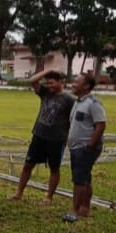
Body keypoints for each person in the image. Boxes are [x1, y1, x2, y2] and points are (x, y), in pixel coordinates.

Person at [9, 70, 74, 204]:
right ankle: (19, 193)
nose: (49, 85)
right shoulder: (45, 93)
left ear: (61, 82)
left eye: (52, 83)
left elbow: (73, 120)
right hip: (39, 135)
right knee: (28, 165)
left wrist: (69, 137)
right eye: (47, 83)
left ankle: (49, 197)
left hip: (56, 139)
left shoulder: (68, 100)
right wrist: (48, 71)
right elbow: (32, 80)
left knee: (54, 168)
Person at [63, 73, 107, 223]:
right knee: (85, 178)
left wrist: (90, 144)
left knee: (79, 180)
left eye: (76, 82)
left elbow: (100, 124)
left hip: (85, 147)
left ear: (86, 86)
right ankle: (85, 208)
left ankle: (74, 211)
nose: (73, 84)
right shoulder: (78, 102)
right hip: (76, 147)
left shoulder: (93, 103)